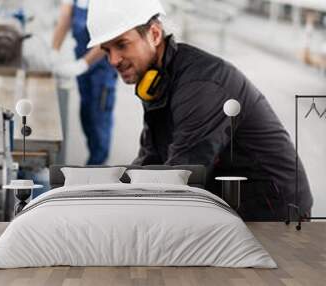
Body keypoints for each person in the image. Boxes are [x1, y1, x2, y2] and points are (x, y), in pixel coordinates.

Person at [85, 0, 313, 221]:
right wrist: (106, 191)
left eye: (122, 45)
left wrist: (114, 212)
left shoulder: (202, 86)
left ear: (154, 35)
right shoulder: (157, 79)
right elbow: (150, 159)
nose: (113, 60)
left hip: (273, 211)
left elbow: (180, 178)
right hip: (229, 200)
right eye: (106, 50)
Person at [51, 0, 118, 165]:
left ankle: (97, 168)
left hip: (102, 64)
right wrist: (54, 50)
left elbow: (111, 35)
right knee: (86, 114)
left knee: (99, 117)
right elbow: (66, 16)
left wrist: (84, 64)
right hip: (82, 57)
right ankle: (93, 161)